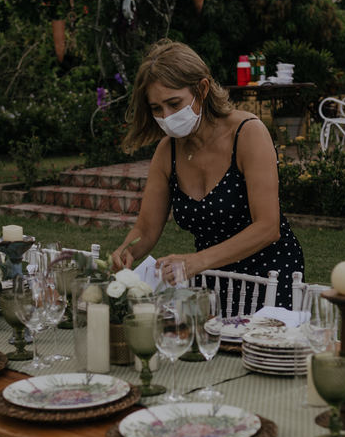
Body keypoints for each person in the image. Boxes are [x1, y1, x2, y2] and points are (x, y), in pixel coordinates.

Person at [112, 40, 304, 310]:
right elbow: (145, 229)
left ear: (201, 89)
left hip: (270, 277)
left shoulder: (248, 133)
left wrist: (196, 261)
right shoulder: (167, 151)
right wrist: (127, 252)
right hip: (211, 279)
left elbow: (267, 228)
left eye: (174, 103)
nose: (166, 116)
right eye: (157, 109)